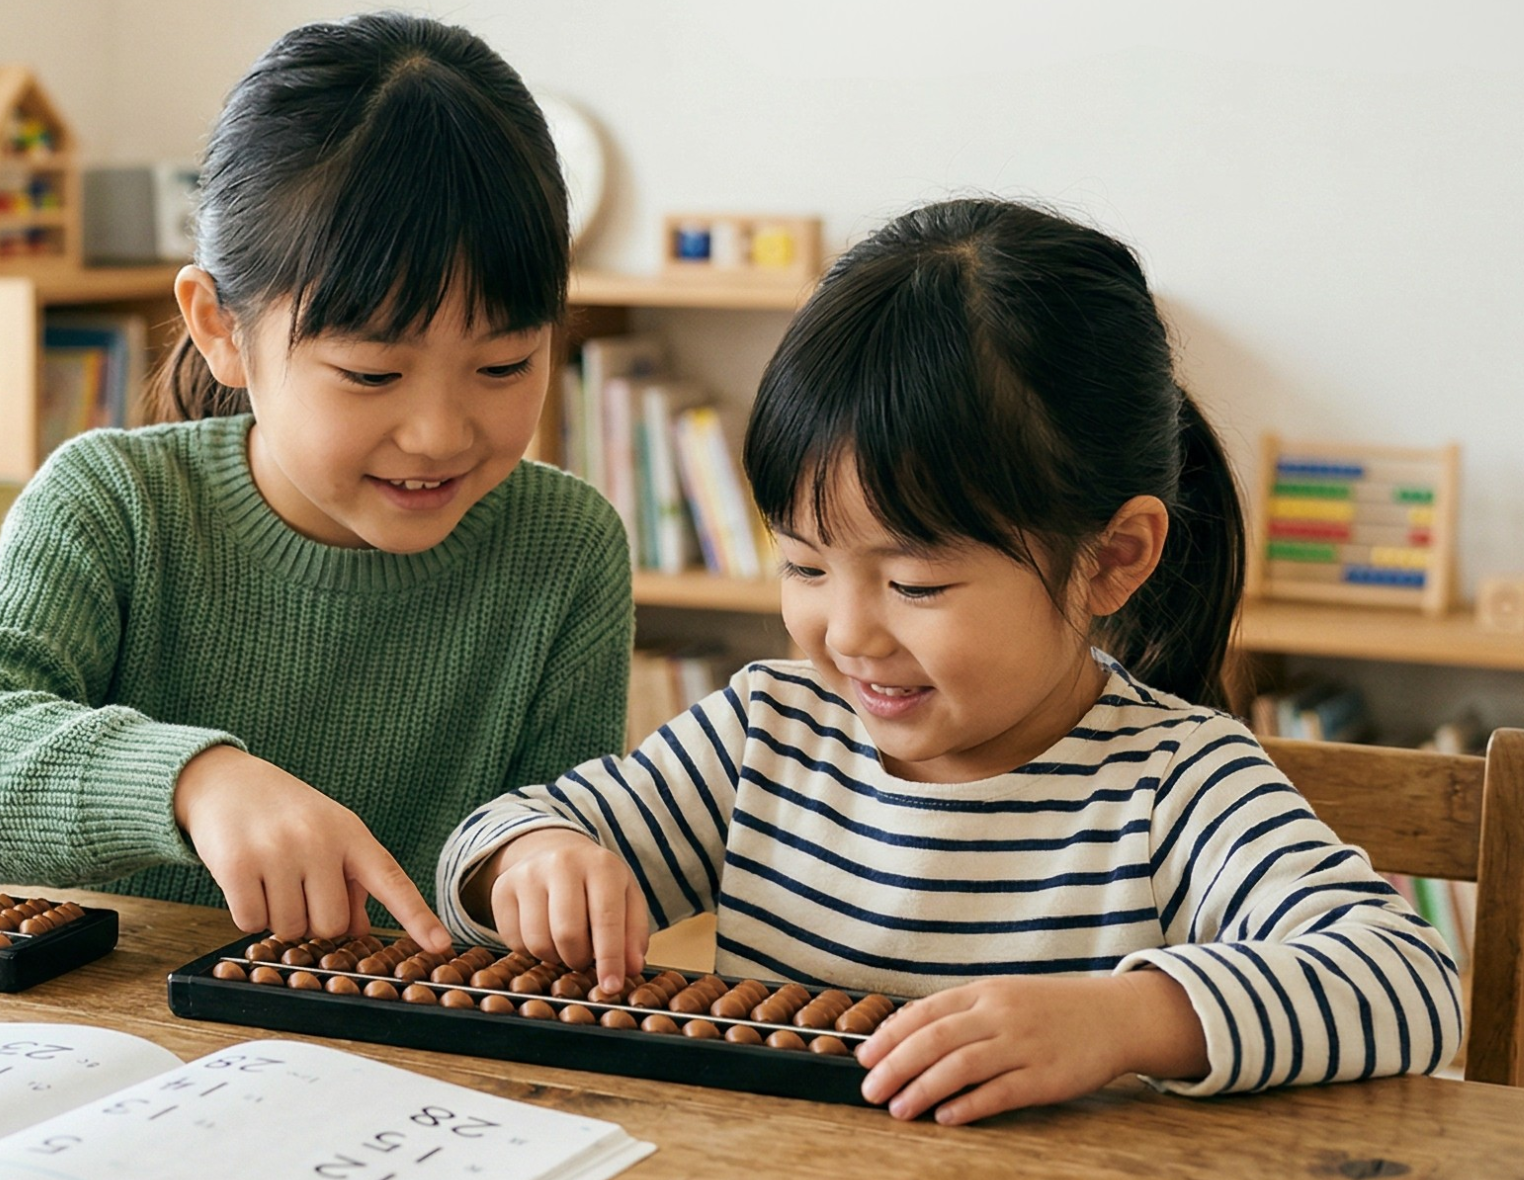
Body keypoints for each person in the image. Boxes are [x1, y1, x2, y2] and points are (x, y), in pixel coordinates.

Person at [438, 199, 1463, 1122]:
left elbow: (1407, 981)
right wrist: (529, 863)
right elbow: (493, 837)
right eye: (802, 565)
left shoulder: (1174, 782)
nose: (847, 634)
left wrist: (1119, 1019)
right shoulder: (766, 734)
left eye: (915, 585)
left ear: (1113, 559)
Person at [0, 13, 634, 950]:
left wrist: (541, 859)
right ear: (220, 327)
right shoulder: (117, 504)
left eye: (505, 366)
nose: (440, 433)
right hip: (122, 1040)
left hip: (408, 1064)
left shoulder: (566, 548)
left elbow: (543, 823)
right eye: (371, 374)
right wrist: (193, 781)